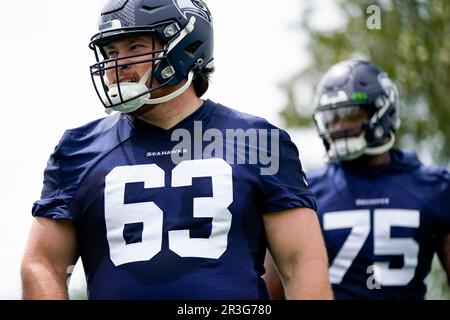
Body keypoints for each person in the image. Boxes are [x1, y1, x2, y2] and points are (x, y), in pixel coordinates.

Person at [21, 0, 332, 300]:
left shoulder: (259, 141)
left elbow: (301, 262)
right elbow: (44, 263)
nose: (117, 65)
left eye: (135, 47)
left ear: (187, 47)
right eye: (111, 51)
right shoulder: (78, 148)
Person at [266, 59, 450, 300]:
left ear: (384, 111)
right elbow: (273, 289)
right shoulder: (304, 190)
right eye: (332, 118)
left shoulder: (435, 187)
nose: (339, 126)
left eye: (350, 114)